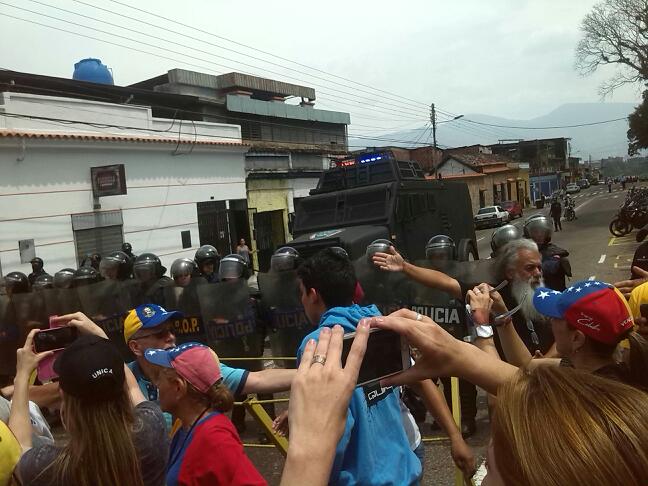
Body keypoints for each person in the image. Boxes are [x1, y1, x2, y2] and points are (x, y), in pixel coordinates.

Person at [364, 312, 648, 486]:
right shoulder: (619, 405)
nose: (480, 479)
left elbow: (508, 389)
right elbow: (521, 374)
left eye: (490, 471)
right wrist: (467, 347)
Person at [296, 248, 421, 485]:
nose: (301, 300)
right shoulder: (380, 324)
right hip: (403, 469)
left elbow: (332, 432)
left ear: (313, 295)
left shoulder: (317, 345)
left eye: (301, 292)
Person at [11, 319, 168, 486]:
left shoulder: (50, 467)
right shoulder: (152, 428)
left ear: (64, 397)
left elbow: (17, 450)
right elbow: (133, 390)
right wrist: (101, 338)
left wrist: (22, 374)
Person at [122, 305, 295, 428]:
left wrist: (309, 374)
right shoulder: (121, 381)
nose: (171, 337)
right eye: (160, 333)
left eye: (171, 330)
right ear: (135, 347)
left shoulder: (189, 366)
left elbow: (258, 379)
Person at [144, 342, 266, 486]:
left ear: (178, 387)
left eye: (159, 378)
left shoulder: (215, 437)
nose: (156, 384)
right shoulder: (183, 426)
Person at [524, 216, 571, 291]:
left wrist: (559, 263)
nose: (539, 235)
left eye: (542, 232)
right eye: (536, 232)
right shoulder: (524, 252)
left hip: (556, 292)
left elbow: (554, 263)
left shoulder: (553, 250)